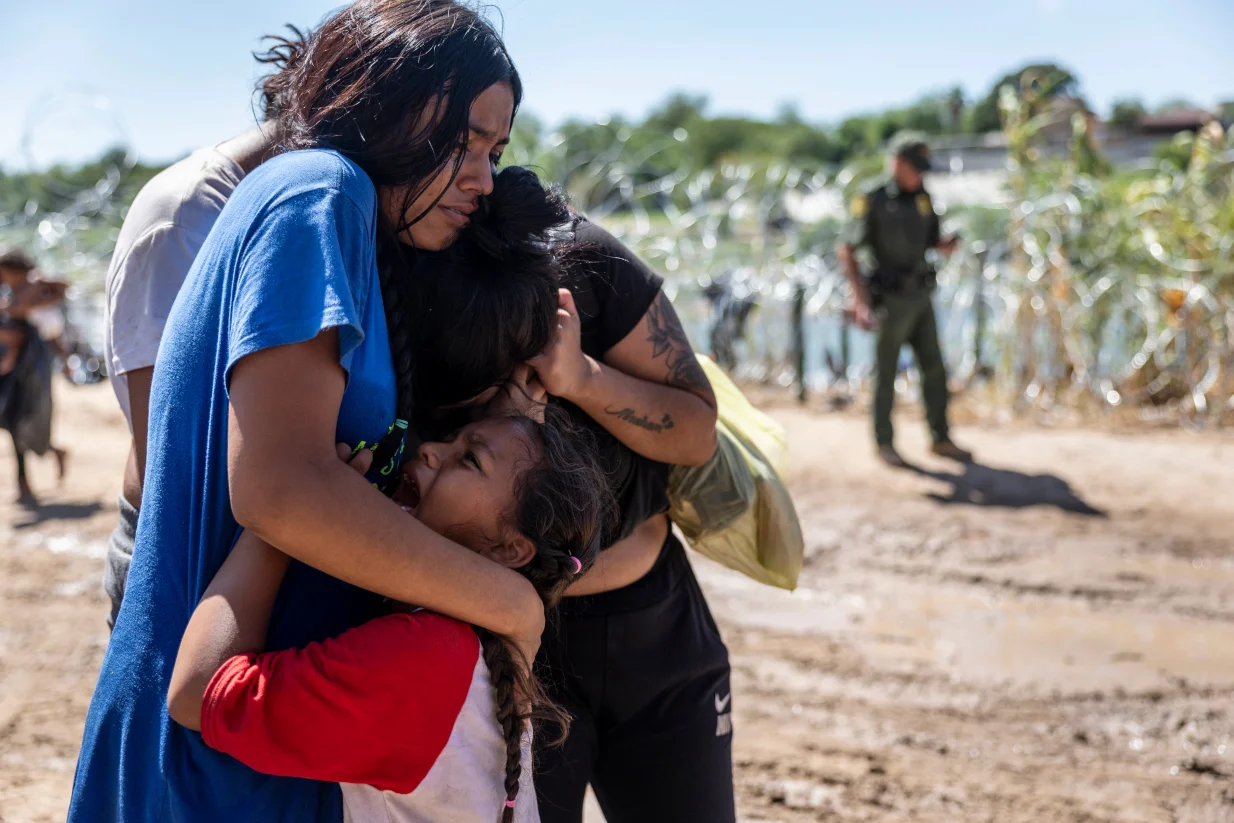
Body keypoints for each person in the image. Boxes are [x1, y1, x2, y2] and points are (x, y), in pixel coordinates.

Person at [68, 4, 550, 822]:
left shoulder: (346, 214)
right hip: (206, 760)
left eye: (495, 152)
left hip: (251, 735)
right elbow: (280, 490)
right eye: (465, 143)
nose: (483, 179)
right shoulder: (317, 192)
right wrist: (509, 602)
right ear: (391, 104)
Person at [167, 410, 612, 823]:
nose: (430, 450)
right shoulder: (484, 645)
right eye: (453, 440)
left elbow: (195, 695)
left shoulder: (426, 660)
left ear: (510, 549)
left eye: (469, 459)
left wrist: (288, 523)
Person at [529, 220, 730, 823]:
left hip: (656, 630)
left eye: (493, 144)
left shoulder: (577, 255)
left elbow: (696, 432)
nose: (477, 174)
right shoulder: (395, 269)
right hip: (507, 645)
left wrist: (581, 378)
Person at [100, 29, 296, 625]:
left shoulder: (261, 204)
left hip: (235, 545)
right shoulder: (186, 218)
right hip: (182, 552)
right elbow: (175, 447)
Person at [839, 131, 973, 468]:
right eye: (915, 167)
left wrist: (945, 245)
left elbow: (931, 240)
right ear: (897, 164)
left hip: (921, 296)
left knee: (934, 369)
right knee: (886, 373)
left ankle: (939, 438)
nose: (921, 174)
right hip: (890, 299)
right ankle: (884, 443)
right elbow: (847, 249)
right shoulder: (873, 198)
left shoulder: (923, 197)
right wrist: (859, 300)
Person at [0, 249, 69, 503]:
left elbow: (60, 292)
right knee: (12, 418)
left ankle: (24, 483)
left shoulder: (33, 286)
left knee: (21, 417)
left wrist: (29, 305)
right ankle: (46, 458)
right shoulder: (11, 291)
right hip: (11, 363)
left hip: (26, 364)